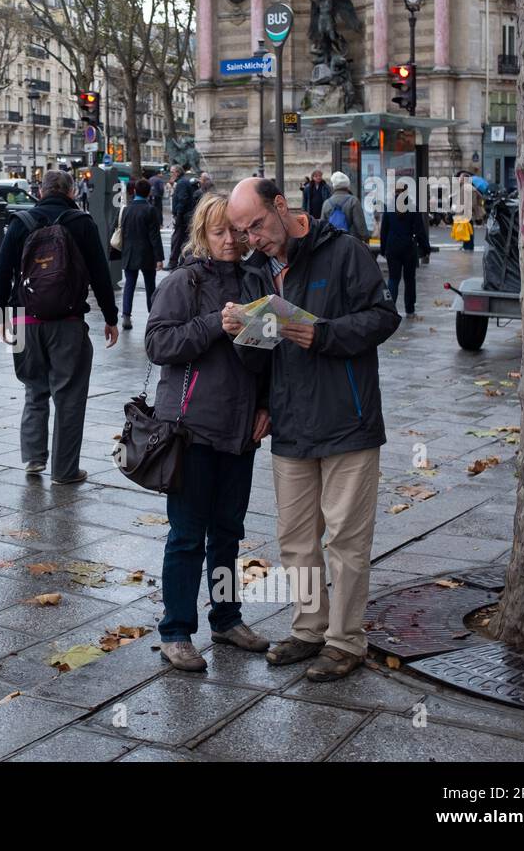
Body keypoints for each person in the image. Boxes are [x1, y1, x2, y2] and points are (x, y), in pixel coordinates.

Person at [224, 178, 400, 682]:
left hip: (349, 418)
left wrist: (322, 334)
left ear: (281, 206)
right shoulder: (257, 270)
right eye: (242, 232)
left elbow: (384, 317)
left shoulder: (343, 252)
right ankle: (308, 629)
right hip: (292, 423)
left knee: (346, 539)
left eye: (256, 225)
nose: (251, 238)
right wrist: (241, 333)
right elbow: (257, 358)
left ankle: (345, 642)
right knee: (296, 538)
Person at [145, 192, 272, 671]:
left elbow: (267, 356)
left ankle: (225, 617)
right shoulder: (185, 280)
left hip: (240, 431)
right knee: (185, 534)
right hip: (190, 430)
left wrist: (266, 406)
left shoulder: (255, 279)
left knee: (228, 533)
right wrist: (213, 324)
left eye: (236, 232)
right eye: (219, 232)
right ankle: (176, 631)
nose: (230, 241)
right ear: (202, 233)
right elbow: (158, 343)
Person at [0, 169, 120, 485]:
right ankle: (64, 471)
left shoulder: (21, 223)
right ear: (72, 192)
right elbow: (101, 275)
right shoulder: (81, 223)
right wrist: (111, 317)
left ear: (41, 191)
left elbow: (0, 272)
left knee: (34, 390)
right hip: (67, 323)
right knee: (69, 397)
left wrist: (0, 316)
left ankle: (34, 459)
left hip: (25, 322)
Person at [118, 178, 165, 330]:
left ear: (134, 191)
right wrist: (159, 258)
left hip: (130, 252)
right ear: (148, 192)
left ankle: (126, 315)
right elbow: (154, 236)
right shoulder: (150, 210)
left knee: (129, 285)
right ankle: (152, 316)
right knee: (150, 286)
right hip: (147, 253)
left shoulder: (126, 209)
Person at [379, 183, 421, 317]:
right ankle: (410, 309)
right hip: (409, 247)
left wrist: (383, 248)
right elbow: (419, 230)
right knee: (410, 280)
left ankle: (390, 309)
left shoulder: (389, 208)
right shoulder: (413, 207)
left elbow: (384, 230)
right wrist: (425, 247)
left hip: (392, 248)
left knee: (393, 279)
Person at [320, 171, 370, 243]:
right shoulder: (353, 201)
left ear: (334, 186)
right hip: (350, 242)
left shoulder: (327, 203)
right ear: (347, 186)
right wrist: (365, 238)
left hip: (332, 243)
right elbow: (360, 225)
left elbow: (323, 226)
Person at [168, 166, 196, 267]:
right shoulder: (183, 182)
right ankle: (181, 261)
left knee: (177, 239)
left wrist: (178, 215)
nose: (170, 174)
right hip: (186, 216)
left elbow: (182, 199)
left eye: (172, 172)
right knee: (184, 240)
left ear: (177, 173)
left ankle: (173, 262)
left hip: (183, 216)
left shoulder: (181, 183)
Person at [451, 172, 478, 252]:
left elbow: (472, 202)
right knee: (465, 229)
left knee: (468, 229)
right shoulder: (463, 187)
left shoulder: (468, 188)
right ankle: (466, 245)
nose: (459, 179)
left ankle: (469, 246)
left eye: (461, 178)